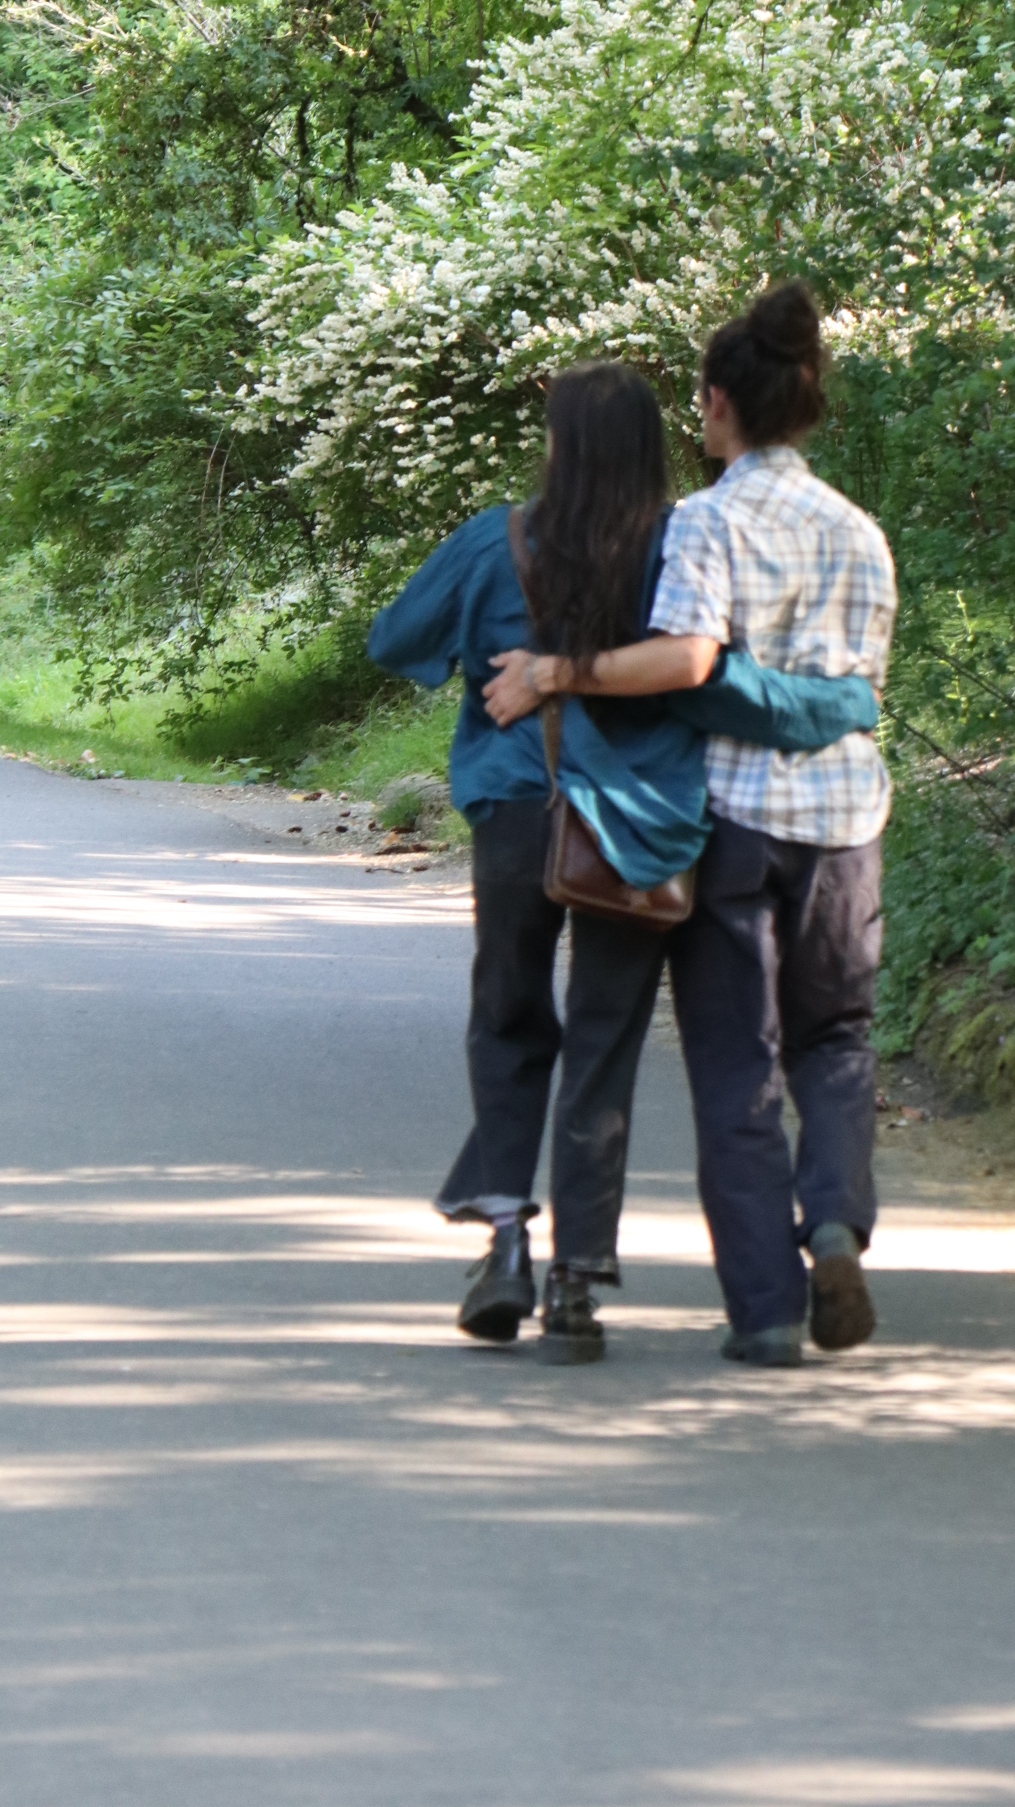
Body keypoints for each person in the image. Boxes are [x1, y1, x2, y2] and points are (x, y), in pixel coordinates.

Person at [367, 359, 880, 1363]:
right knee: (604, 1044)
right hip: (634, 827)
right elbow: (703, 667)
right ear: (652, 446)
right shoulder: (679, 542)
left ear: (558, 446)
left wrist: (494, 655)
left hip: (517, 812)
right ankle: (576, 1285)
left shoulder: (496, 539)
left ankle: (506, 1243)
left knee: (509, 1019)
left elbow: (395, 640)